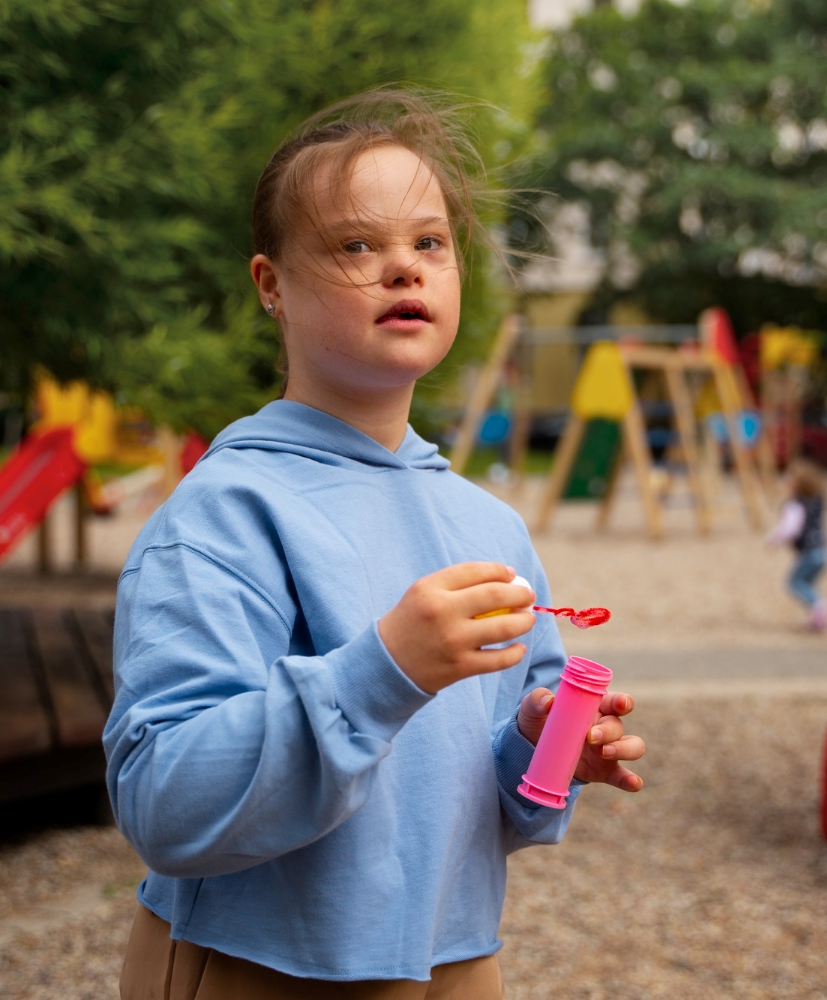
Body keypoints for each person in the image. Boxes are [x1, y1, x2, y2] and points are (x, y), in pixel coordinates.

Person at [105, 88, 646, 1000]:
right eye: (356, 245)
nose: (403, 268)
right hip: (259, 967)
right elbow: (165, 805)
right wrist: (383, 671)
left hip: (457, 960)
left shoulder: (488, 524)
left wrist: (541, 747)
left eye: (429, 243)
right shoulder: (225, 514)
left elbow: (490, 804)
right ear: (272, 285)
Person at [767, 459, 827, 632]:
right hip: (824, 552)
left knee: (794, 582)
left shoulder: (794, 505)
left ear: (797, 484)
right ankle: (818, 619)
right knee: (808, 584)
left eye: (788, 478)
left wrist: (775, 539)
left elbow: (790, 528)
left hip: (810, 552)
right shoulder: (817, 500)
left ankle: (820, 606)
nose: (784, 480)